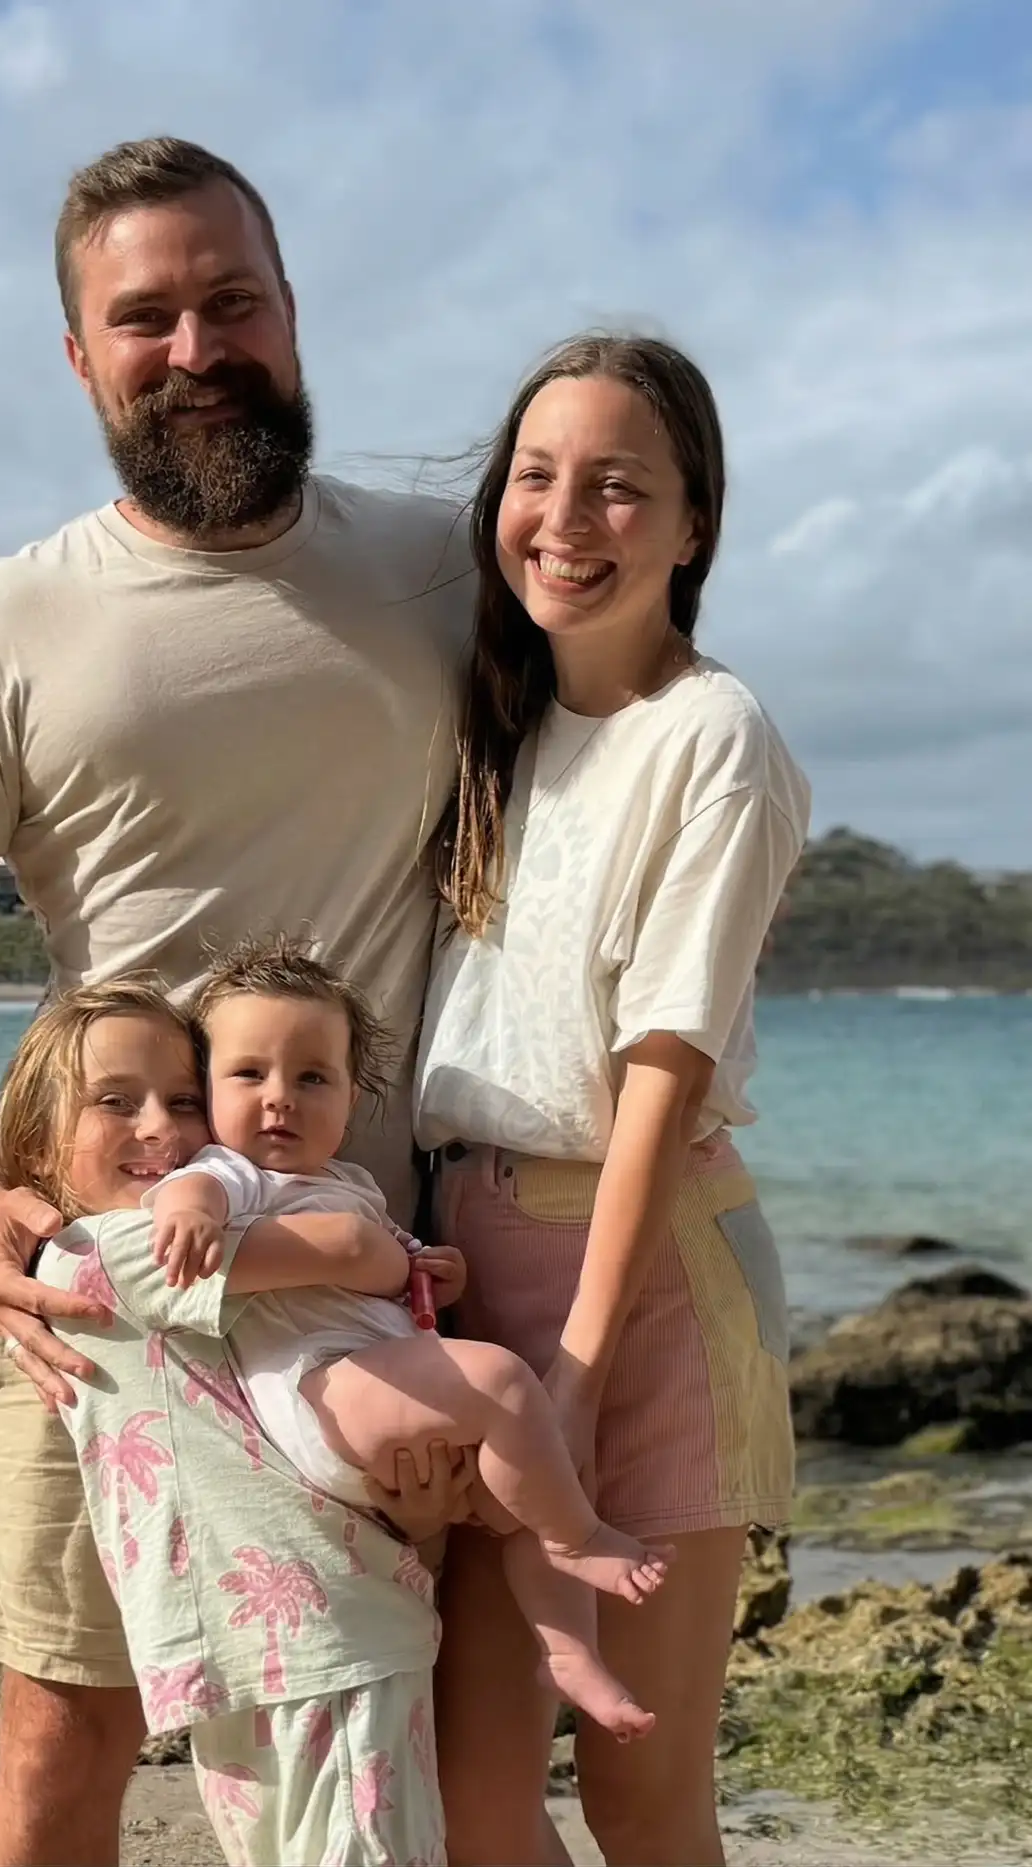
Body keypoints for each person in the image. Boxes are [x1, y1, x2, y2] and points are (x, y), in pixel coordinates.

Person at [0, 136, 476, 1867]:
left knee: (379, 1742)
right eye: (146, 319)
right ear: (80, 355)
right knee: (68, 1735)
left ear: (290, 311)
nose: (195, 348)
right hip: (104, 1283)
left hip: (361, 1274)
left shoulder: (447, 572)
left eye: (231, 301)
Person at [415, 333, 809, 1866]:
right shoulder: (497, 720)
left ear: (694, 521)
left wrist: (571, 1366)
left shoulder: (712, 734)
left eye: (619, 487)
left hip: (639, 1289)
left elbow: (665, 1067)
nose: (566, 519)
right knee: (471, 1795)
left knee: (643, 1791)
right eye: (536, 477)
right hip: (466, 1268)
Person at [148, 934, 671, 1738]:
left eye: (312, 1077)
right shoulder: (233, 1172)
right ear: (206, 1089)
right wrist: (187, 1211)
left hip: (376, 1385)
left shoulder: (349, 1182)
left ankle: (569, 1652)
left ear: (354, 1099)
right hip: (319, 1388)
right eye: (249, 1074)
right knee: (502, 1384)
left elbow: (393, 1270)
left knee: (524, 1484)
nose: (280, 1097)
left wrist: (432, 1272)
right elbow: (192, 1194)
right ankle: (583, 1536)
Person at [0, 980, 447, 1867]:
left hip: (274, 1634)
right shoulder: (114, 1253)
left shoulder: (160, 1247)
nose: (160, 1126)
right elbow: (355, 1251)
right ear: (41, 1142)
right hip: (307, 1628)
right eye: (114, 1102)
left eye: (185, 1100)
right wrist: (392, 1259)